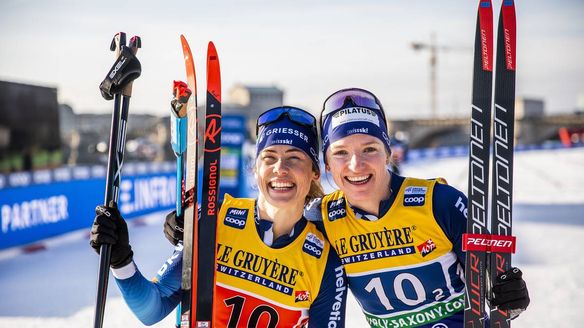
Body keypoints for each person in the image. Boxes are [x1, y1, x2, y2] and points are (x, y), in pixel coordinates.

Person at [90, 106, 348, 327]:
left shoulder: (324, 261)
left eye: (294, 158)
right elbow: (151, 309)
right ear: (256, 169)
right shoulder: (217, 222)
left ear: (314, 172)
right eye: (269, 158)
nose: (280, 169)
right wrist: (120, 259)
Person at [303, 88, 530, 328]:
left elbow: (491, 285)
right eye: (340, 153)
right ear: (327, 164)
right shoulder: (323, 219)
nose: (356, 164)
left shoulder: (440, 202)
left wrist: (509, 296)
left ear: (388, 154)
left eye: (370, 149)